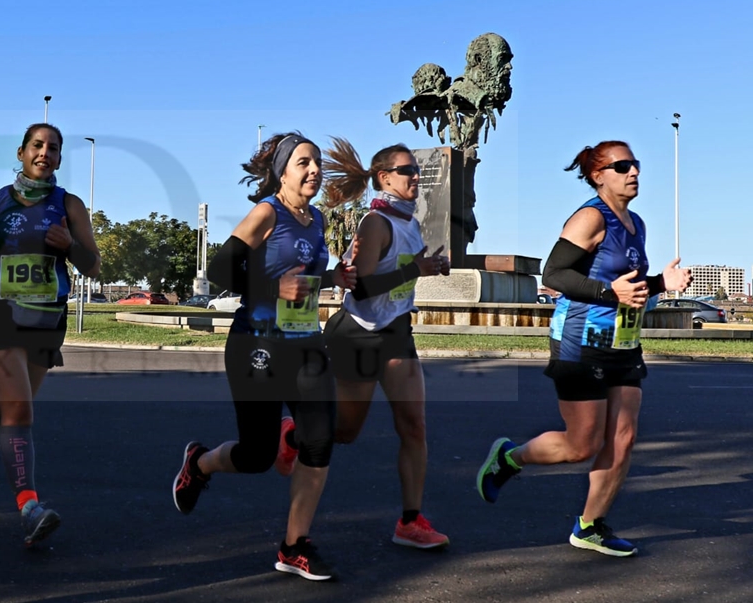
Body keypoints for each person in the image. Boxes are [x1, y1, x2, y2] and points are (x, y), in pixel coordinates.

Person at [476, 141, 691, 557]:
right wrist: (608, 291)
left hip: (623, 343)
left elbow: (630, 289)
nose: (633, 173)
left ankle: (590, 526)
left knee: (624, 438)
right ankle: (509, 458)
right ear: (598, 175)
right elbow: (553, 272)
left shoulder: (637, 224)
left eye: (636, 165)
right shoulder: (591, 217)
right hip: (580, 342)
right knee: (582, 444)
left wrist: (663, 283)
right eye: (622, 166)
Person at [171, 132, 354, 581]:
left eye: (317, 164)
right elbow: (219, 270)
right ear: (282, 172)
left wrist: (335, 275)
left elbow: (302, 279)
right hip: (257, 344)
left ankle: (294, 546)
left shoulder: (315, 221)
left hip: (306, 343)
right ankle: (199, 463)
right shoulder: (265, 213)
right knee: (257, 454)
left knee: (320, 440)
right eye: (304, 163)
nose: (314, 171)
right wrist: (273, 289)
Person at [286, 138, 452, 550]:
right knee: (344, 432)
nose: (416, 176)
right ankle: (291, 436)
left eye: (416, 170)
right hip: (357, 335)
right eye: (407, 171)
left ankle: (410, 521)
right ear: (384, 178)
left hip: (396, 333)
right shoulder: (375, 223)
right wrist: (414, 268)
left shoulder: (410, 222)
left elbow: (403, 274)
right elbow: (359, 290)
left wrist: (426, 269)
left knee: (414, 426)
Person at [0, 123, 100, 546]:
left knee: (13, 404)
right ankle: (29, 506)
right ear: (21, 153)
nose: (45, 153)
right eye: (37, 146)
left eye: (53, 148)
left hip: (44, 315)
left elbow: (92, 266)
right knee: (19, 408)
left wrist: (69, 245)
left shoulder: (69, 205)